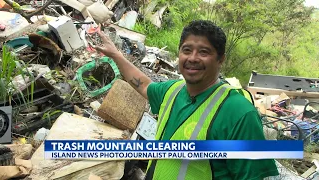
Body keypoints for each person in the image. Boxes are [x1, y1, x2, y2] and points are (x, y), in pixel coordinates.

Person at [96, 20, 279, 180]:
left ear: (220, 59)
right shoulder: (172, 90)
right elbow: (143, 84)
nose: (193, 58)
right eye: (187, 50)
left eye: (204, 52)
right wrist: (116, 55)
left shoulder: (239, 113)